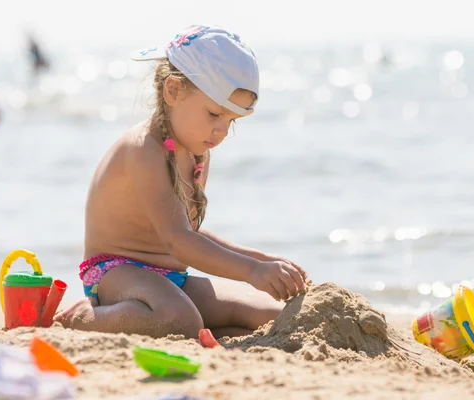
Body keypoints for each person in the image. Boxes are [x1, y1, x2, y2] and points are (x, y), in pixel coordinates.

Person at [54, 25, 309, 339]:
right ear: (173, 91)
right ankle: (83, 318)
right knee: (180, 319)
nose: (222, 132)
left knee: (271, 315)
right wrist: (252, 271)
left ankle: (197, 329)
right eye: (214, 114)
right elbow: (178, 240)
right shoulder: (143, 149)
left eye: (231, 120)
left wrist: (263, 260)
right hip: (114, 274)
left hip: (172, 279)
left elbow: (189, 229)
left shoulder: (198, 150)